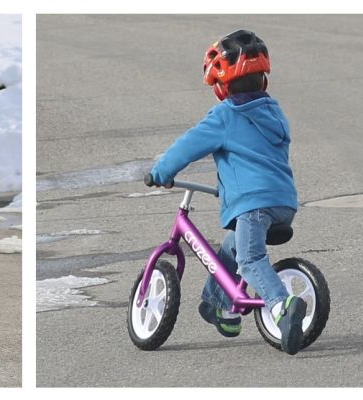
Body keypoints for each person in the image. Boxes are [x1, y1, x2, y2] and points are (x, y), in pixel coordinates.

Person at [148, 30, 306, 354]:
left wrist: (162, 172)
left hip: (253, 205)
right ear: (263, 81)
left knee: (249, 259)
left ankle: (281, 306)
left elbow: (188, 146)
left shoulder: (225, 116)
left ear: (221, 87)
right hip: (284, 202)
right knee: (234, 246)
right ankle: (224, 307)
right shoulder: (274, 113)